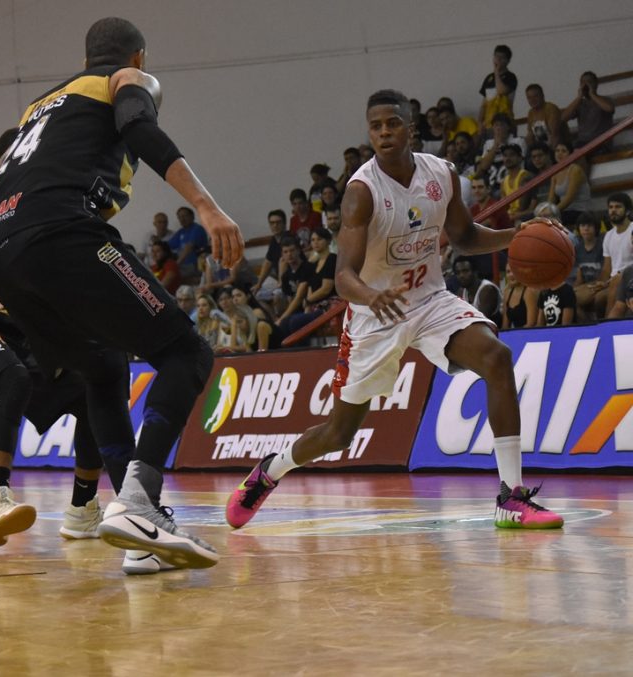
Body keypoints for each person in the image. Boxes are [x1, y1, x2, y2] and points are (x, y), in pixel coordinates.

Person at [0, 17, 245, 570]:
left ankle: (136, 533)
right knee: (187, 353)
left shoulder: (36, 112)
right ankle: (140, 502)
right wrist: (205, 205)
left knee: (102, 369)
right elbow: (139, 128)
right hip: (61, 232)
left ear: (83, 58)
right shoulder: (126, 79)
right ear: (139, 57)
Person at [225, 89, 563, 531]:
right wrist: (371, 296)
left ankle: (511, 497)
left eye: (393, 123)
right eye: (376, 126)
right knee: (339, 434)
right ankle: (270, 470)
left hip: (429, 300)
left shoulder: (441, 173)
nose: (384, 132)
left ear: (411, 128)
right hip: (375, 316)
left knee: (497, 357)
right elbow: (343, 275)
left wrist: (516, 235)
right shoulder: (361, 193)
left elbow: (463, 237)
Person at [0, 129, 128, 551]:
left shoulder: (47, 204)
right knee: (14, 377)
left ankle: (83, 508)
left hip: (24, 337)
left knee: (91, 389)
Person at [561, 71, 615, 156]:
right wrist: (579, 98)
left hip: (602, 142)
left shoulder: (606, 100)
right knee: (568, 153)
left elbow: (609, 109)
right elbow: (563, 118)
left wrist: (592, 94)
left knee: (581, 155)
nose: (586, 85)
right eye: (583, 82)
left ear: (596, 84)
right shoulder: (579, 103)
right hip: (582, 142)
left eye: (589, 82)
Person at [600, 193, 633, 316]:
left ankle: (608, 325)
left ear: (628, 210)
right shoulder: (608, 235)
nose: (613, 210)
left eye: (618, 207)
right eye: (611, 207)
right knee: (580, 295)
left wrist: (620, 276)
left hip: (628, 278)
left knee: (615, 282)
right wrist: (601, 283)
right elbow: (606, 268)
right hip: (613, 280)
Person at [547, 141, 593, 227]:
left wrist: (552, 212)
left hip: (580, 211)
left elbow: (569, 198)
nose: (559, 153)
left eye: (563, 151)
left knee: (551, 221)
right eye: (557, 151)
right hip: (565, 211)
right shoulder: (555, 172)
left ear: (570, 154)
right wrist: (546, 210)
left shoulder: (575, 170)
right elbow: (551, 198)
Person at [573, 212, 606, 322]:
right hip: (586, 285)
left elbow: (605, 273)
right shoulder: (577, 249)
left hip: (601, 284)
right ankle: (587, 323)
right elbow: (579, 277)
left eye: (589, 225)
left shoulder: (603, 246)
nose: (586, 229)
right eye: (583, 225)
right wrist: (574, 289)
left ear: (596, 228)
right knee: (567, 298)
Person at [478, 45, 518, 134]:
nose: (498, 59)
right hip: (488, 124)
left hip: (505, 123)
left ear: (508, 61)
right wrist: (480, 122)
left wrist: (496, 72)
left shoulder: (511, 77)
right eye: (496, 56)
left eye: (502, 57)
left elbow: (501, 91)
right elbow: (484, 103)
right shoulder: (488, 78)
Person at [452, 256, 502, 326]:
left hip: (493, 331)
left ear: (475, 272)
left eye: (465, 271)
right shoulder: (461, 292)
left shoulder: (487, 290)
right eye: (458, 272)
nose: (461, 275)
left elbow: (480, 321)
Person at [169, 206, 209, 283]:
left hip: (195, 265)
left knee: (171, 275)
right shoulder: (181, 231)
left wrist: (176, 265)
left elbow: (189, 247)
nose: (182, 219)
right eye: (180, 217)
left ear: (192, 217)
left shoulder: (197, 229)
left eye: (185, 216)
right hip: (184, 266)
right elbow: (167, 246)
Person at [524, 84, 569, 150]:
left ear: (542, 96)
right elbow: (530, 135)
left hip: (560, 148)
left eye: (535, 96)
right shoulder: (530, 113)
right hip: (542, 149)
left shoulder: (551, 109)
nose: (532, 100)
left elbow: (555, 135)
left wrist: (550, 153)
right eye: (529, 98)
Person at [501, 263, 539, 329]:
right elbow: (505, 325)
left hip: (528, 332)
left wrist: (516, 334)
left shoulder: (529, 291)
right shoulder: (507, 292)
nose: (511, 275)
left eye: (514, 271)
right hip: (516, 332)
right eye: (508, 272)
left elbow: (531, 324)